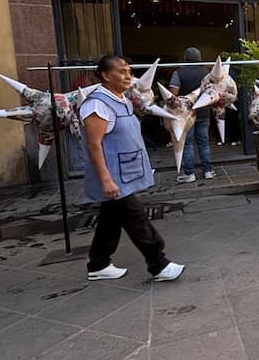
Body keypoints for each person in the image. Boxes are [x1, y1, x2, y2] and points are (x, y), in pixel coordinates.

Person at [80, 55, 184, 282]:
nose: (128, 76)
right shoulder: (97, 104)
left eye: (129, 71)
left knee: (110, 217)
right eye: (121, 71)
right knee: (135, 216)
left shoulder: (122, 99)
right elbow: (93, 144)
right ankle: (158, 264)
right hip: (113, 174)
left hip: (125, 170)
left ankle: (98, 263)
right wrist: (106, 180)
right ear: (106, 76)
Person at [169, 47, 216, 183]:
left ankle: (189, 174)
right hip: (204, 111)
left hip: (186, 114)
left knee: (187, 143)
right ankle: (208, 171)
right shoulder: (207, 73)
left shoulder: (179, 73)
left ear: (185, 58)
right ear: (199, 58)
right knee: (204, 142)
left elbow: (173, 93)